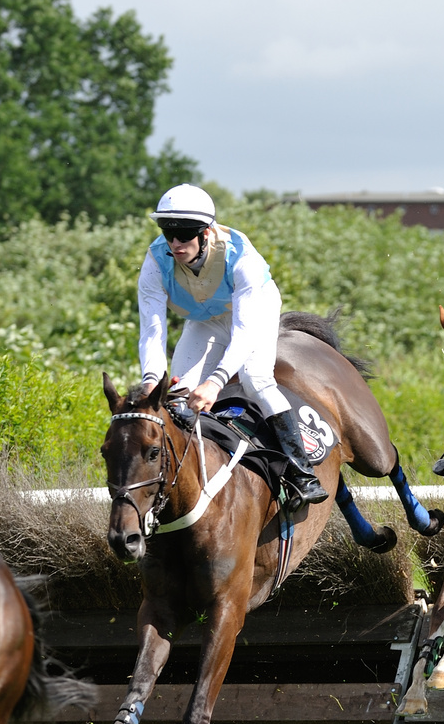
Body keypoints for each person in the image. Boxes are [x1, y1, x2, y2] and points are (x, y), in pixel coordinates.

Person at [137, 183, 327, 509]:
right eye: (168, 233)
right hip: (205, 319)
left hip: (254, 312)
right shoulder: (155, 261)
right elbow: (152, 333)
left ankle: (302, 473)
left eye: (184, 234)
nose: (175, 243)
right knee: (177, 397)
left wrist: (215, 381)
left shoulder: (242, 258)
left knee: (255, 379)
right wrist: (151, 381)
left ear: (207, 232)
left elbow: (243, 331)